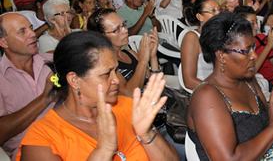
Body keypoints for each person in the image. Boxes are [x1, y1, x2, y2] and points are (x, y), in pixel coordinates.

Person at [16, 31, 179, 160]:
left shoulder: (127, 106)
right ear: (75, 80)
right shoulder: (43, 137)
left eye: (116, 70)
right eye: (106, 74)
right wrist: (104, 150)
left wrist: (147, 133)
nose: (116, 80)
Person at [187, 11, 273, 160]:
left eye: (253, 48)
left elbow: (264, 125)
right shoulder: (207, 97)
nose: (254, 56)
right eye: (246, 51)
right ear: (221, 56)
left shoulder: (248, 80)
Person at [0, 13, 59, 159]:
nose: (33, 34)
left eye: (31, 28)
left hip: (69, 138)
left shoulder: (54, 62)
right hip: (28, 150)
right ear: (4, 43)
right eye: (22, 31)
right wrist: (46, 97)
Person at [181, 0, 220, 89]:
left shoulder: (220, 35)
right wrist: (219, 91)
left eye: (219, 9)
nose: (218, 14)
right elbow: (189, 81)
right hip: (204, 90)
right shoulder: (192, 37)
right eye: (212, 11)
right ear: (200, 17)